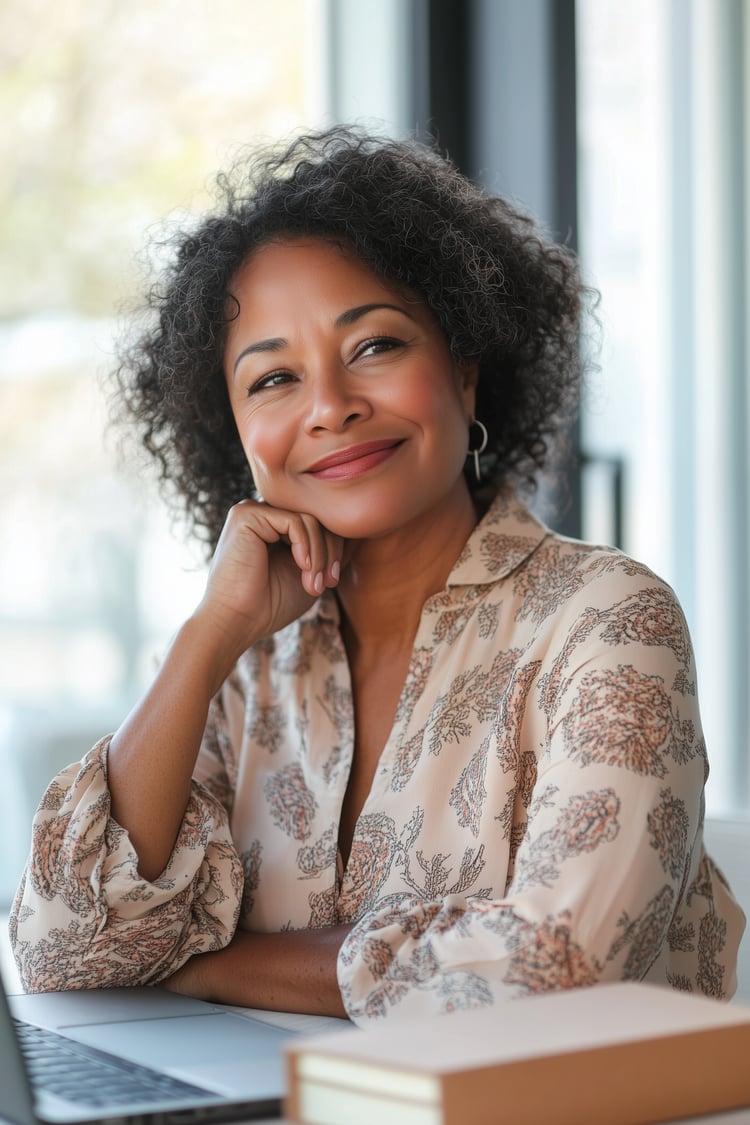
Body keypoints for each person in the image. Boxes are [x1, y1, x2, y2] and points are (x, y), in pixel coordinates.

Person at [9, 127, 744, 1024]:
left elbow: (559, 967)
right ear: (233, 432)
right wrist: (207, 637)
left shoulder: (608, 621)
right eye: (274, 377)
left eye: (376, 346)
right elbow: (63, 944)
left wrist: (207, 963)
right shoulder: (243, 663)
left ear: (465, 372)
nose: (330, 407)